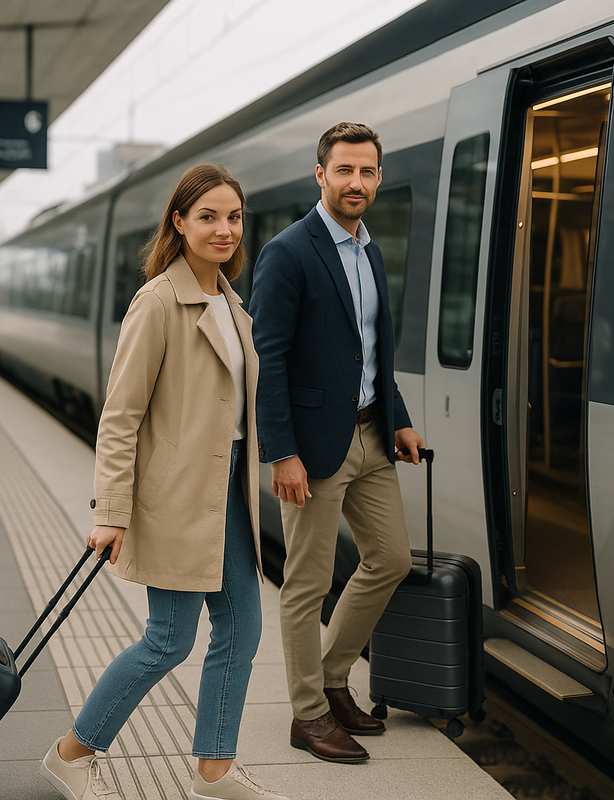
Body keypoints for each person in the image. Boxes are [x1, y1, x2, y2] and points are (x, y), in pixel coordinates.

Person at [39, 164, 290, 800]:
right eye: (208, 216)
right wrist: (110, 511)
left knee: (241, 627)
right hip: (175, 496)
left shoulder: (233, 306)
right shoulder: (157, 303)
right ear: (178, 222)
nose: (224, 229)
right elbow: (120, 417)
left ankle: (214, 769)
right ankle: (72, 754)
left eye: (233, 217)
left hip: (226, 494)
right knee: (169, 640)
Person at [249, 122, 424, 764]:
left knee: (390, 559)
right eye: (344, 170)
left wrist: (398, 416)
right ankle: (308, 714)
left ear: (379, 177)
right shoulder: (288, 252)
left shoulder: (370, 249)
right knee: (307, 581)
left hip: (370, 435)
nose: (357, 183)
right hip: (314, 446)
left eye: (368, 172)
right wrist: (281, 452)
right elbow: (269, 358)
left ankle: (330, 677)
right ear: (319, 175)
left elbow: (370, 351)